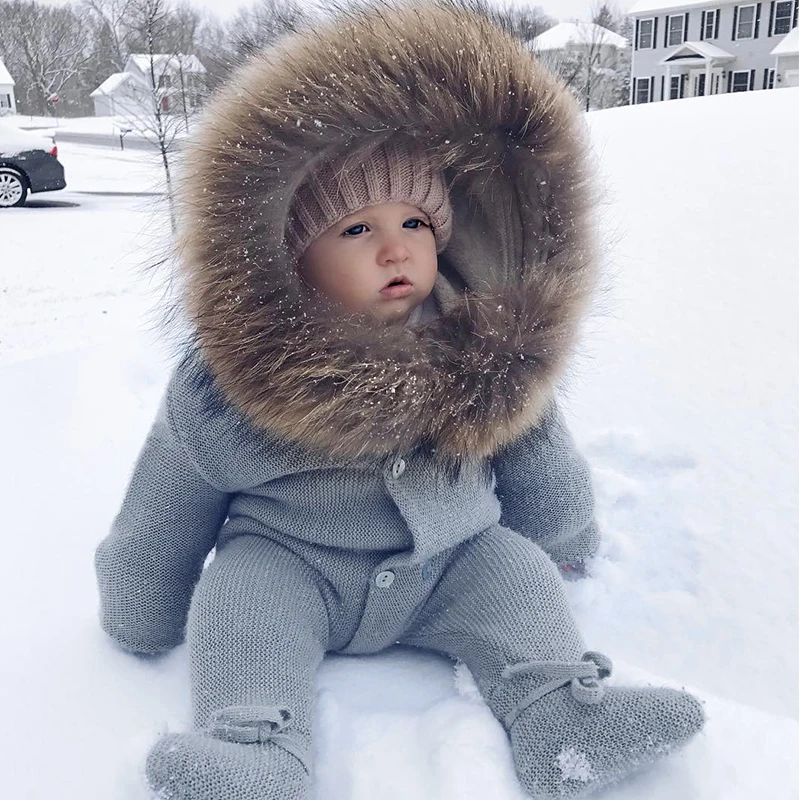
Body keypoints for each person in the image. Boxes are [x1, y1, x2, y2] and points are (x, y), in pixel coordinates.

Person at [94, 2, 704, 798]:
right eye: (355, 230)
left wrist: (563, 533)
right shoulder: (236, 378)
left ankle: (561, 717)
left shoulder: (484, 340)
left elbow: (537, 446)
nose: (395, 249)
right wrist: (141, 600)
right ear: (289, 257)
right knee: (238, 601)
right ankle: (256, 747)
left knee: (516, 571)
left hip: (450, 562)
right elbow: (169, 494)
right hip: (293, 565)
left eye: (415, 221)